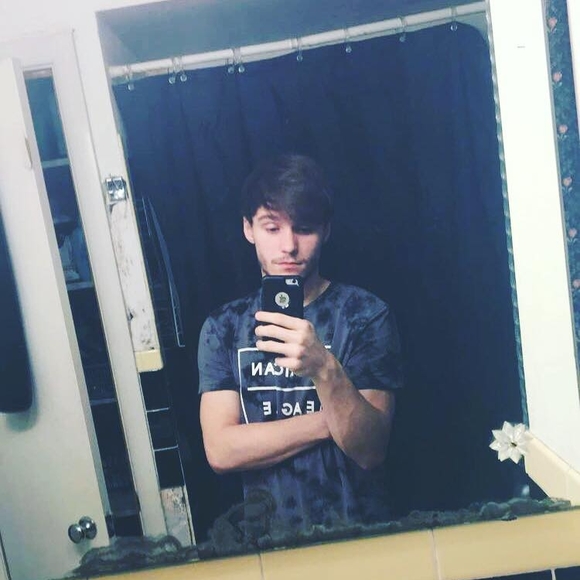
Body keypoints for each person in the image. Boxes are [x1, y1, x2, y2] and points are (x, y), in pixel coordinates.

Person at [198, 154, 403, 531]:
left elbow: (371, 450)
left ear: (326, 230)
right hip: (270, 542)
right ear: (248, 229)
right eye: (272, 228)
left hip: (362, 536)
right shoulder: (224, 327)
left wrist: (324, 368)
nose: (289, 245)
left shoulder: (365, 315)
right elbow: (221, 451)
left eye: (304, 228)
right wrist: (330, 422)